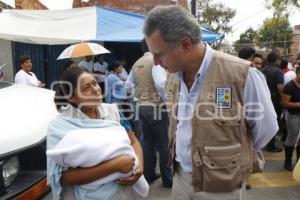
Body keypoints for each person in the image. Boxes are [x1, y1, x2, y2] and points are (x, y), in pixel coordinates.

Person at [143, 5, 278, 200]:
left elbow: (266, 128)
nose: (155, 62)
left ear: (186, 44)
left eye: (159, 53)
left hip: (221, 184)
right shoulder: (173, 75)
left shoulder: (241, 74)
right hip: (180, 177)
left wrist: (231, 157)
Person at [47, 67, 145, 200]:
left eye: (95, 83)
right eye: (86, 88)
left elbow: (133, 141)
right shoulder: (60, 127)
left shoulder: (112, 111)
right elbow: (64, 177)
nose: (96, 89)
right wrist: (115, 165)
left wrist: (139, 167)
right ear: (71, 97)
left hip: (126, 193)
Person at [126, 39, 172, 188]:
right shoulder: (156, 61)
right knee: (164, 143)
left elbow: (127, 86)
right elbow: (160, 83)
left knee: (147, 143)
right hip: (157, 107)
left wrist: (140, 95)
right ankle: (167, 179)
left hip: (142, 107)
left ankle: (148, 175)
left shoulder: (136, 63)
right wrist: (168, 102)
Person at [261, 51, 284, 152]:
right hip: (274, 100)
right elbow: (280, 88)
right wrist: (283, 99)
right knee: (274, 122)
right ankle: (271, 145)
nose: (280, 60)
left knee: (264, 122)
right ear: (276, 60)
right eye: (279, 58)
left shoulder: (262, 70)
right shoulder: (278, 71)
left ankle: (264, 142)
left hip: (263, 99)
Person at [282, 66, 300, 171]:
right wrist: (298, 104)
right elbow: (285, 103)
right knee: (292, 137)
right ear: (297, 73)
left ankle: (298, 161)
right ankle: (287, 161)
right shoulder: (289, 86)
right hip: (293, 115)